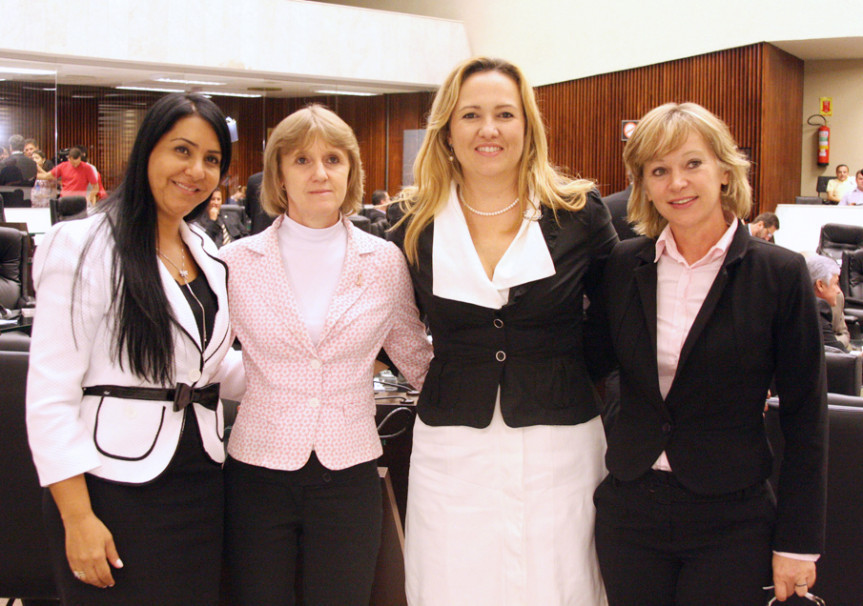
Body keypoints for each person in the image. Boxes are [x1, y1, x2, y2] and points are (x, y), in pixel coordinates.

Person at [390, 56, 616, 605]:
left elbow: (615, 322)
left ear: (527, 126)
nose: (488, 129)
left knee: (559, 581)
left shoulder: (578, 211)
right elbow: (396, 326)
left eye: (504, 114)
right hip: (452, 448)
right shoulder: (412, 222)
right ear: (446, 131)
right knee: (453, 581)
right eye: (470, 115)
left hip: (561, 441)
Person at [593, 102, 827, 606]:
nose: (677, 182)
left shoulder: (780, 274)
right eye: (659, 170)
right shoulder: (623, 264)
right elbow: (591, 362)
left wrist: (798, 542)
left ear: (724, 170)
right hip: (630, 512)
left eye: (692, 163)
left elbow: (807, 417)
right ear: (644, 186)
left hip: (731, 520)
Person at [26, 92, 245, 605]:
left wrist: (314, 365)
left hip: (201, 482)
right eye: (182, 151)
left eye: (212, 159)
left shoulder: (209, 254)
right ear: (148, 150)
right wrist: (77, 519)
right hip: (113, 488)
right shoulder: (82, 245)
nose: (196, 170)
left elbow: (208, 369)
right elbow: (49, 400)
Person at [219, 104, 432, 605]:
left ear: (351, 171)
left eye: (334, 159)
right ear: (279, 174)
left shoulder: (383, 261)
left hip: (349, 471)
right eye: (301, 160)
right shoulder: (233, 262)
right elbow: (202, 360)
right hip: (257, 470)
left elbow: (415, 356)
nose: (319, 173)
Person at [806, 254, 848, 351]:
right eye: (835, 284)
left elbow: (843, 333)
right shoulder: (816, 308)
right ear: (820, 285)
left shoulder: (838, 298)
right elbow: (836, 350)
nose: (838, 290)